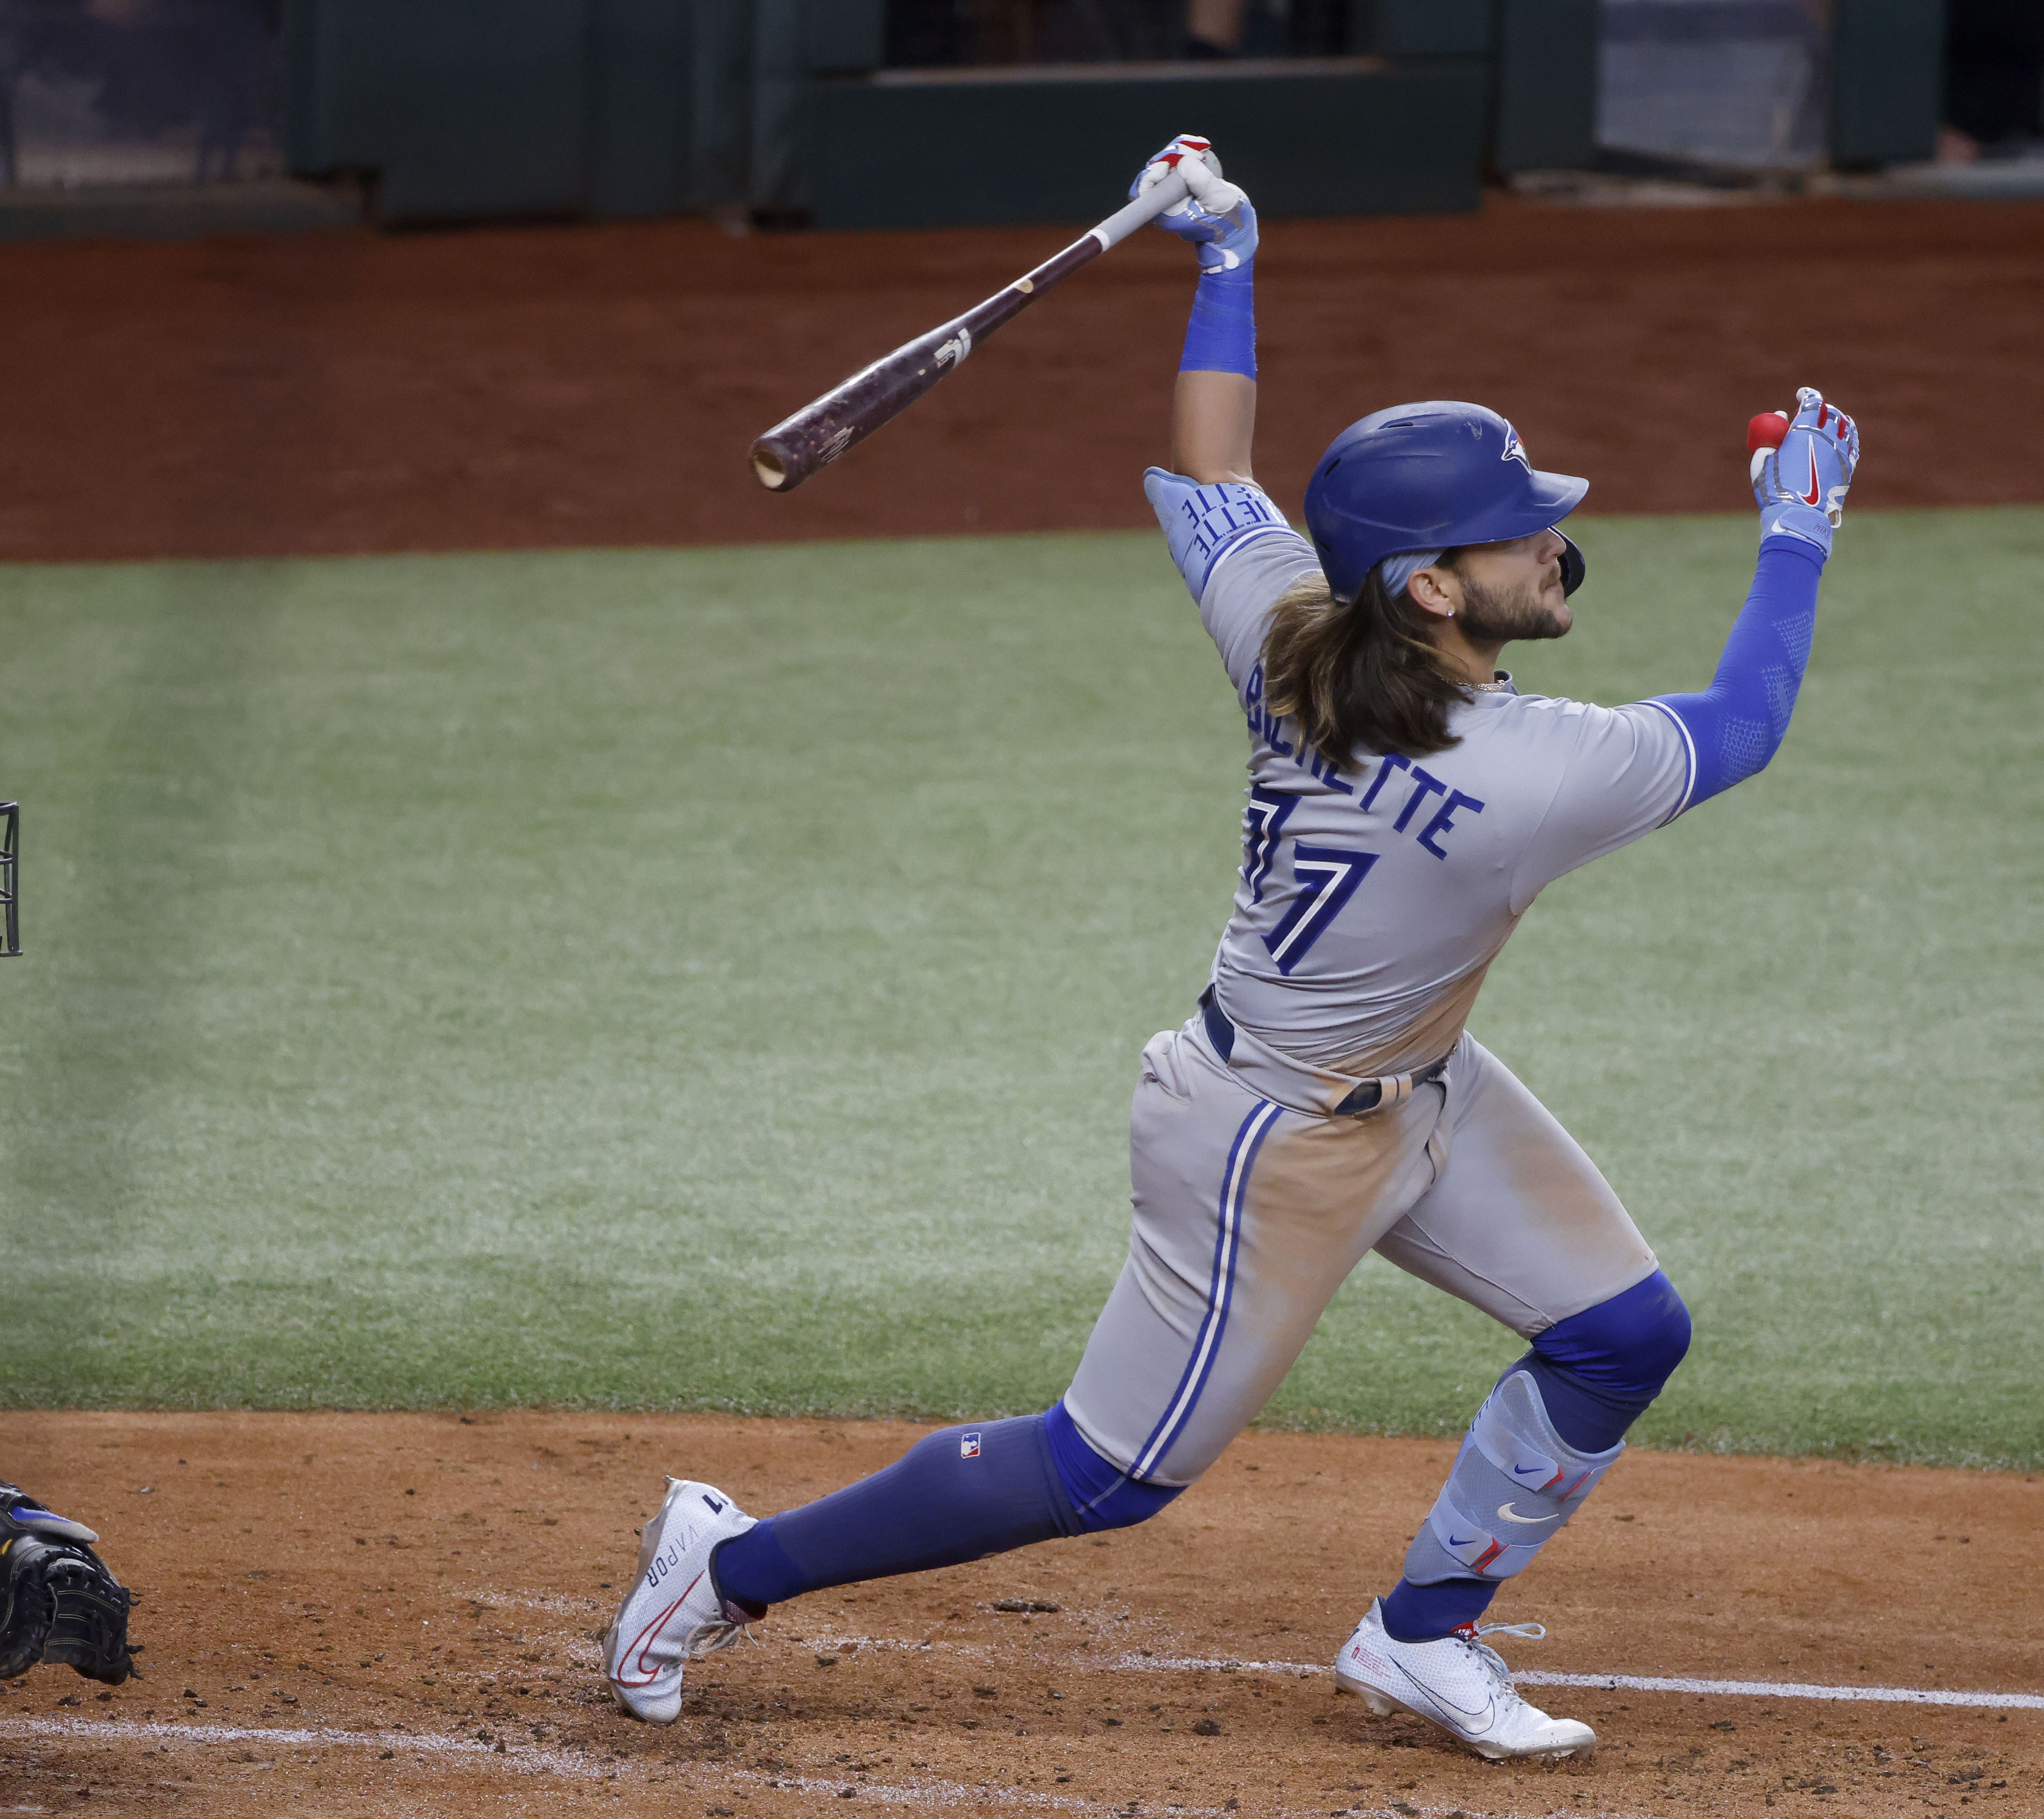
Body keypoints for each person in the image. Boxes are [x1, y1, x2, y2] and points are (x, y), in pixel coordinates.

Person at [602, 135, 1859, 1762]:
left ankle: (1424, 1634)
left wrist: (1223, 258)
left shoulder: (1292, 637)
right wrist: (1801, 524)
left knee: (1623, 1330)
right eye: (1518, 531)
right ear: (1428, 586)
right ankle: (722, 1569)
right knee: (1102, 1474)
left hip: (1417, 1085)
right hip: (1264, 1140)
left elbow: (1211, 473)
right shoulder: (1535, 771)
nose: (1556, 540)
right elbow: (1746, 721)